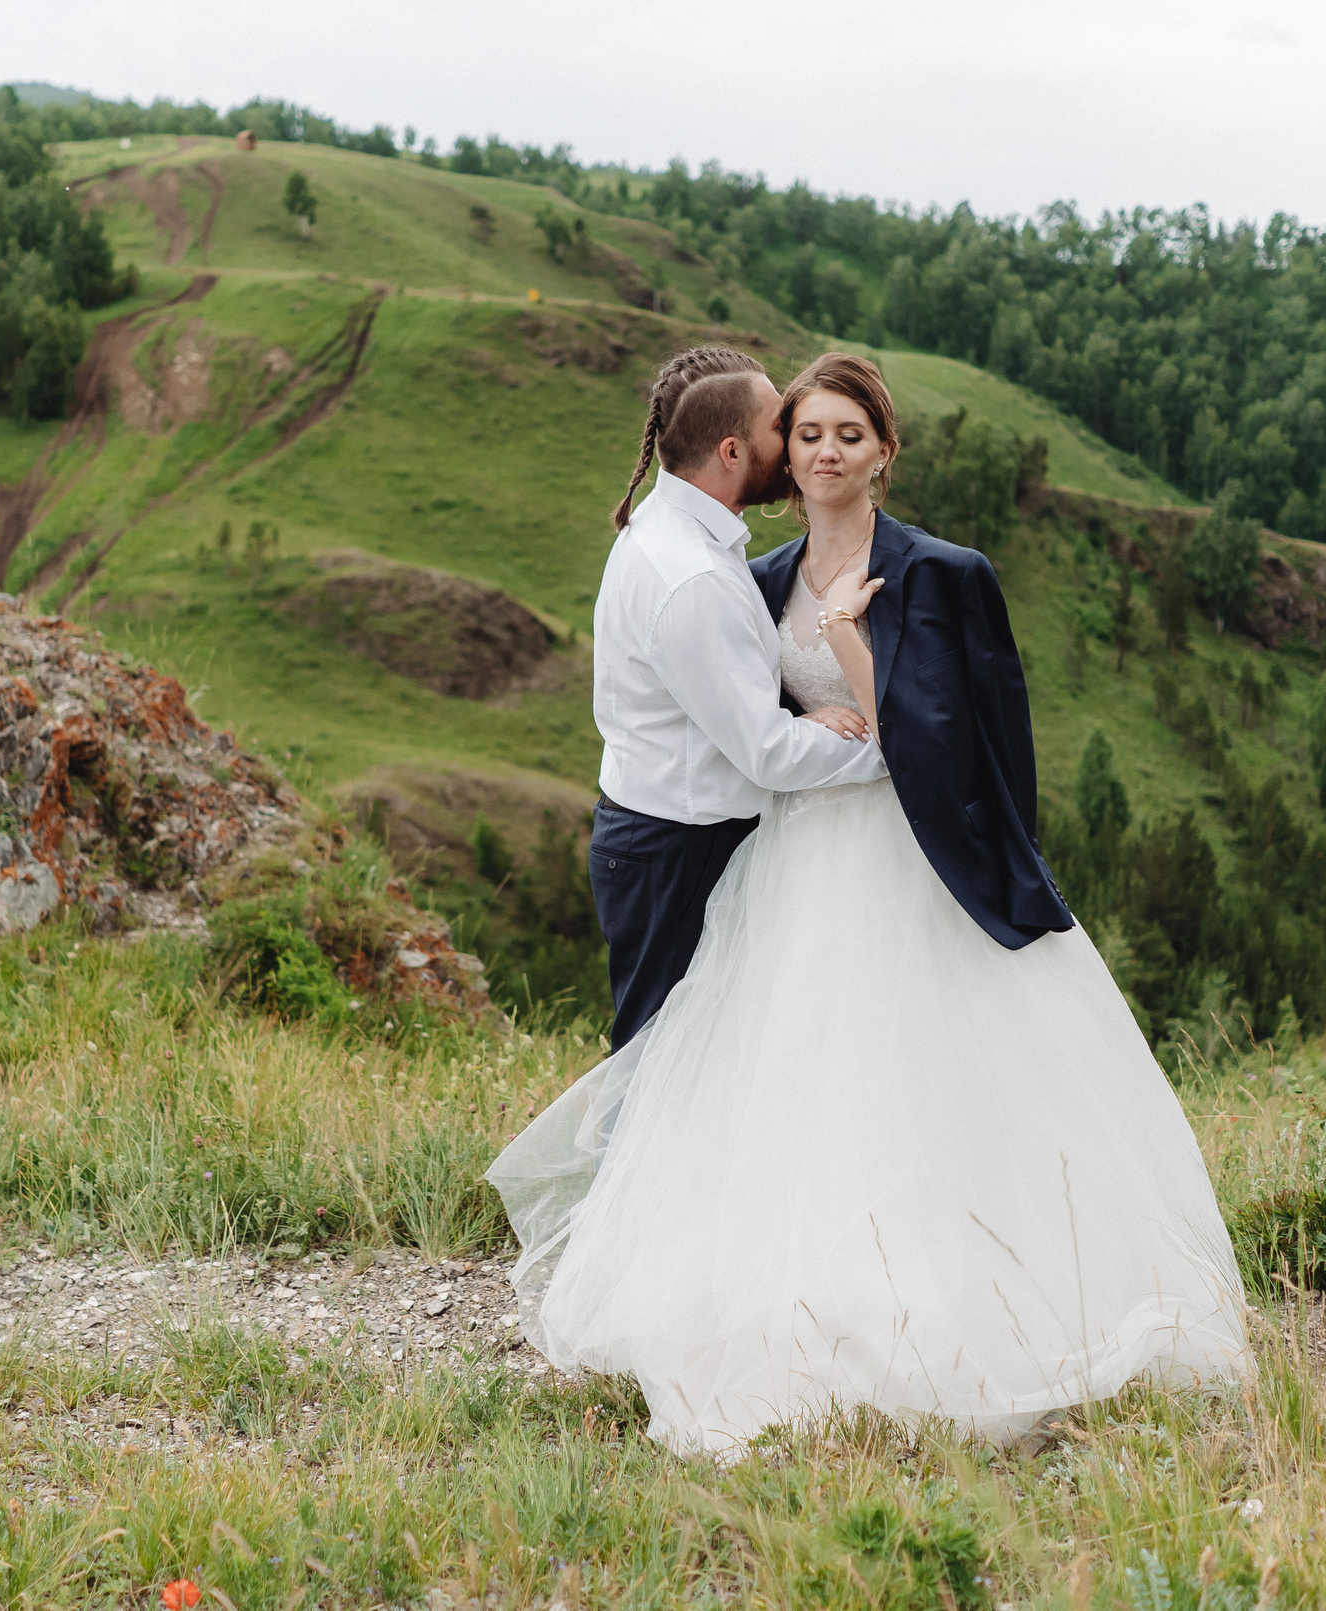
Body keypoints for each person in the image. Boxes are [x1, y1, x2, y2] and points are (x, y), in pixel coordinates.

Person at [490, 352, 1248, 1456]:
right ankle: (797, 1296)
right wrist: (827, 673)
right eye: (809, 434)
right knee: (794, 1083)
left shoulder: (943, 571)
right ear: (776, 455)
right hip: (794, 865)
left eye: (851, 433)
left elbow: (962, 743)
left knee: (944, 1075)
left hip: (918, 863)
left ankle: (981, 1294)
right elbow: (760, 736)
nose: (828, 450)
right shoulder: (758, 577)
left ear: (886, 451)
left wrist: (850, 640)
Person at [582, 345, 887, 1054]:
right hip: (678, 851)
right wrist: (887, 747)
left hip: (659, 835)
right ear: (731, 450)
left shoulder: (677, 535)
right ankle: (633, 1171)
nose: (796, 446)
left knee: (689, 1060)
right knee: (664, 1062)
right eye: (782, 427)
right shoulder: (693, 577)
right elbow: (766, 754)